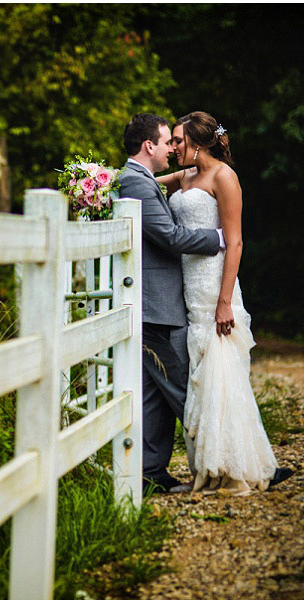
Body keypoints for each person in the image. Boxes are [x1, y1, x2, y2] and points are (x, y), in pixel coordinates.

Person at [156, 111, 293, 495]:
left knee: (223, 376)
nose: (174, 148)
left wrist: (224, 302)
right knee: (203, 380)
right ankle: (213, 465)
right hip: (187, 287)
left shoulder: (224, 178)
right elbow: (144, 181)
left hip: (216, 286)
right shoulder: (184, 176)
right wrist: (98, 181)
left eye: (179, 141)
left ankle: (234, 465)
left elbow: (234, 242)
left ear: (198, 143)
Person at [119, 114, 222, 495]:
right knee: (186, 390)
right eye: (166, 143)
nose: (170, 149)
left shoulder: (139, 179)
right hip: (159, 306)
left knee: (154, 395)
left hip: (154, 305)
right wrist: (217, 239)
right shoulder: (136, 181)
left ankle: (151, 473)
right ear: (149, 146)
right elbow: (167, 235)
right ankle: (226, 461)